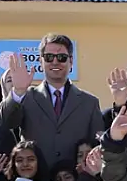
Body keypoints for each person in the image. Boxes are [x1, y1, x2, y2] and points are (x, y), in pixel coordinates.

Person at [12, 33, 103, 168]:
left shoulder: (90, 103)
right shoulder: (25, 97)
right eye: (49, 57)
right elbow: (4, 124)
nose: (55, 62)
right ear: (41, 61)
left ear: (71, 61)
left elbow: (97, 146)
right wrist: (18, 92)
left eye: (61, 57)